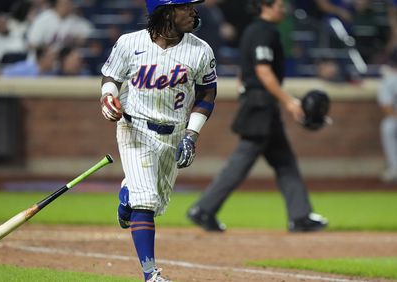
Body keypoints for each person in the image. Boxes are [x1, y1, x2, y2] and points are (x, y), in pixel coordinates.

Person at [99, 0, 217, 281]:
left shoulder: (201, 50)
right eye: (184, 6)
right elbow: (110, 76)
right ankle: (150, 274)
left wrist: (191, 134)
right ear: (165, 12)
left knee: (157, 201)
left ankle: (127, 197)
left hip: (174, 133)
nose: (192, 11)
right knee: (147, 202)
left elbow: (207, 94)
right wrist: (107, 97)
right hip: (135, 128)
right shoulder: (130, 43)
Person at [187, 0, 328, 233]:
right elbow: (262, 70)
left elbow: (245, 71)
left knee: (284, 161)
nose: (283, 10)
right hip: (261, 107)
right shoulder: (264, 31)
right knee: (242, 161)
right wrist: (289, 101)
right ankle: (203, 208)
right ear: (266, 7)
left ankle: (300, 215)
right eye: (279, 6)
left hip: (259, 105)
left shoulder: (253, 30)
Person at [377, 49, 397, 183]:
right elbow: (386, 106)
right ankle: (395, 167)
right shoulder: (390, 80)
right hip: (396, 117)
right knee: (388, 127)